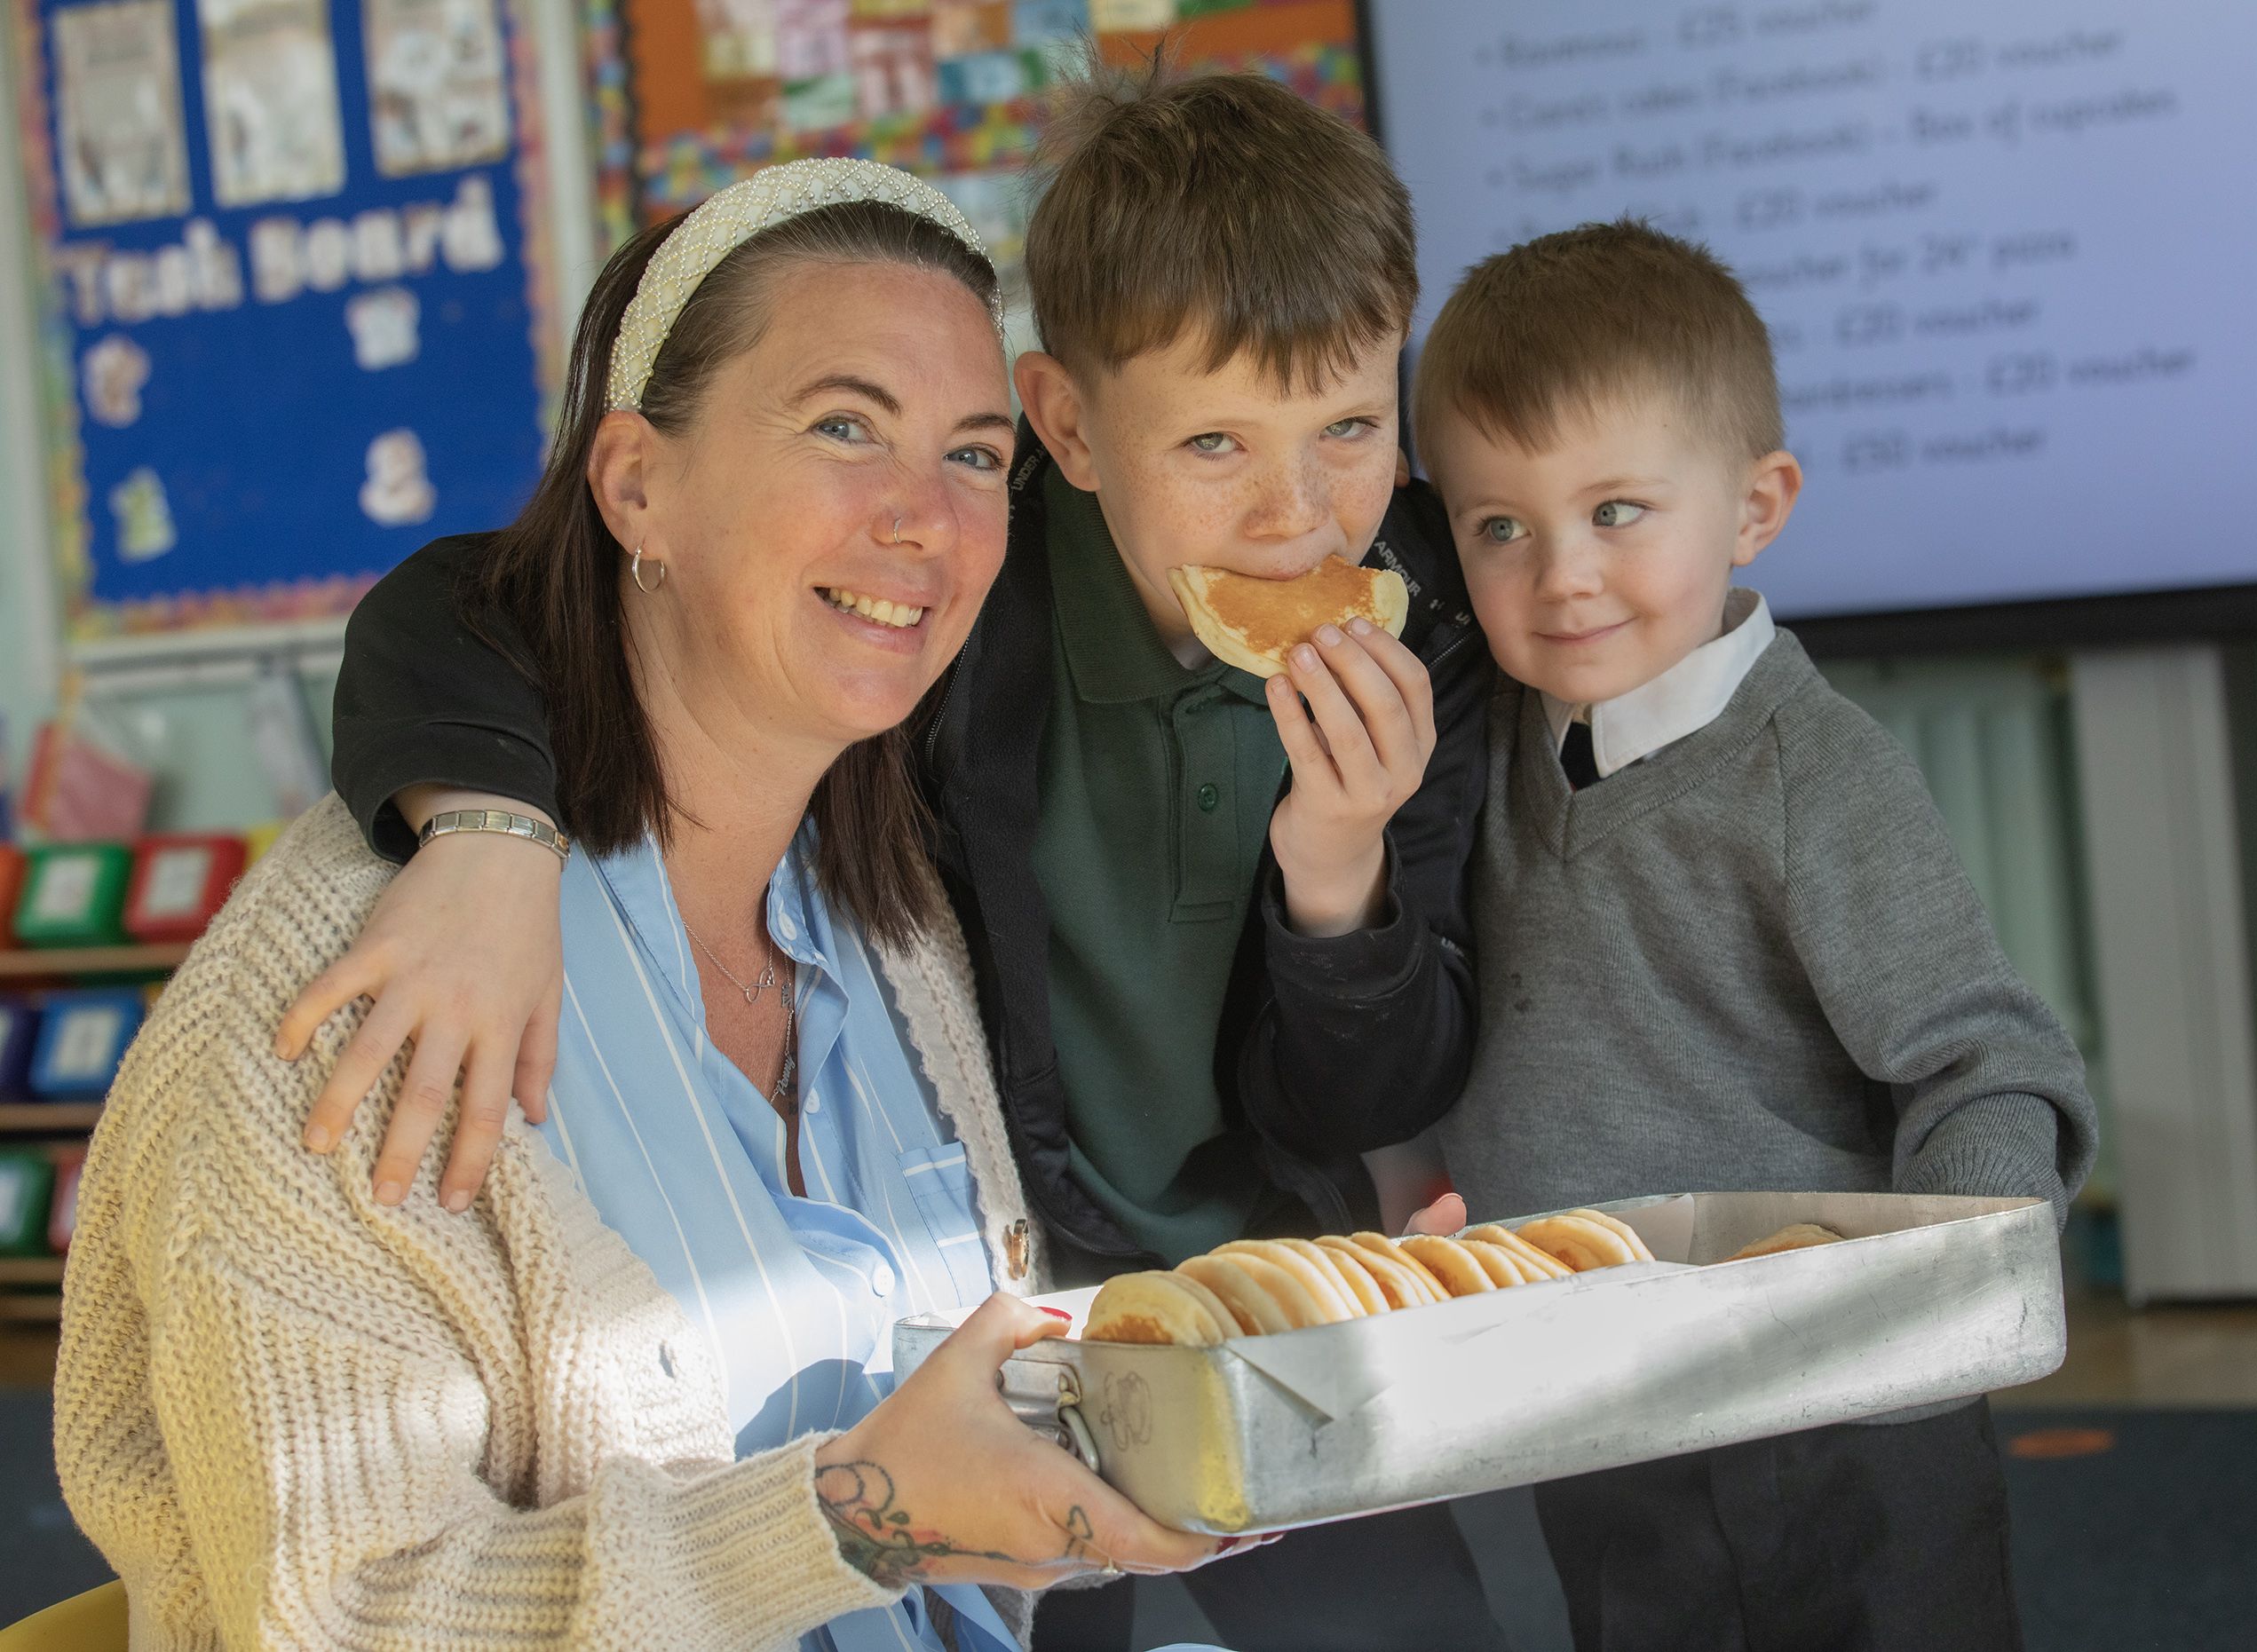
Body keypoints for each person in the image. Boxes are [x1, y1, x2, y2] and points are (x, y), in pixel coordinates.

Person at [302, 67, 1508, 1652]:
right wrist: (481, 833)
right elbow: (472, 601)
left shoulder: (1420, 607)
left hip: (1277, 1297)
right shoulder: (954, 579)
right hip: (1016, 1328)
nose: (1300, 514)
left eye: (1351, 427)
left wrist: (1340, 869)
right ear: (1067, 427)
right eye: (1216, 440)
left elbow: (1368, 1093)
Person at [54, 159, 1251, 1652]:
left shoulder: (893, 922)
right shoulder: (361, 988)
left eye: (972, 455)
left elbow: (993, 1504)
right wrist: (851, 1509)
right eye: (842, 426)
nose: (924, 520)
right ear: (637, 484)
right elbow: (350, 1617)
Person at [1408, 219, 2103, 1648]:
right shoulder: (1476, 750)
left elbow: (1986, 1061)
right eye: (1501, 527)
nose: (1562, 577)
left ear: (1757, 503)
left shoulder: (1814, 773)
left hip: (1840, 1417)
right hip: (1602, 1403)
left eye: (1617, 511)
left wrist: (1946, 1306)